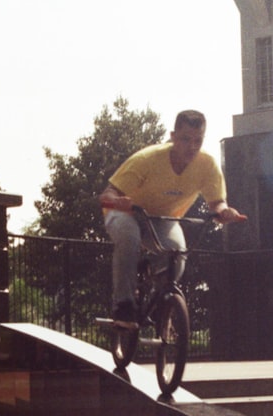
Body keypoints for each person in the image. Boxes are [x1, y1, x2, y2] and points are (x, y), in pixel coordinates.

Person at [100, 109, 244, 328]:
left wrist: (224, 211)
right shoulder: (148, 159)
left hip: (161, 218)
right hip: (126, 213)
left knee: (177, 255)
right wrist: (117, 202)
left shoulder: (207, 165)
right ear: (173, 136)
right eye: (185, 139)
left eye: (198, 140)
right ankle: (124, 304)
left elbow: (216, 203)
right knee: (129, 238)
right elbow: (107, 194)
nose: (192, 147)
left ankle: (162, 305)